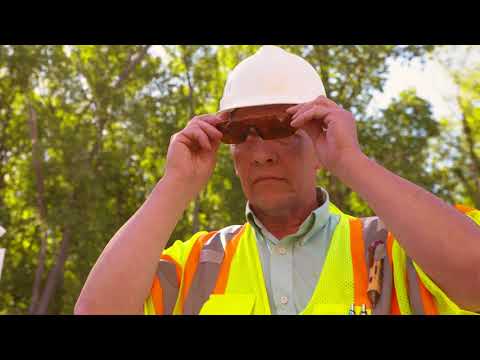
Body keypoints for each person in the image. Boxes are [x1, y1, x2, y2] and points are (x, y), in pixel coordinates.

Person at [75, 45, 480, 315]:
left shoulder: (394, 250)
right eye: (241, 135)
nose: (261, 152)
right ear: (228, 153)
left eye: (281, 128)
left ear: (322, 138)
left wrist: (351, 161)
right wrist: (175, 185)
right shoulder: (197, 265)